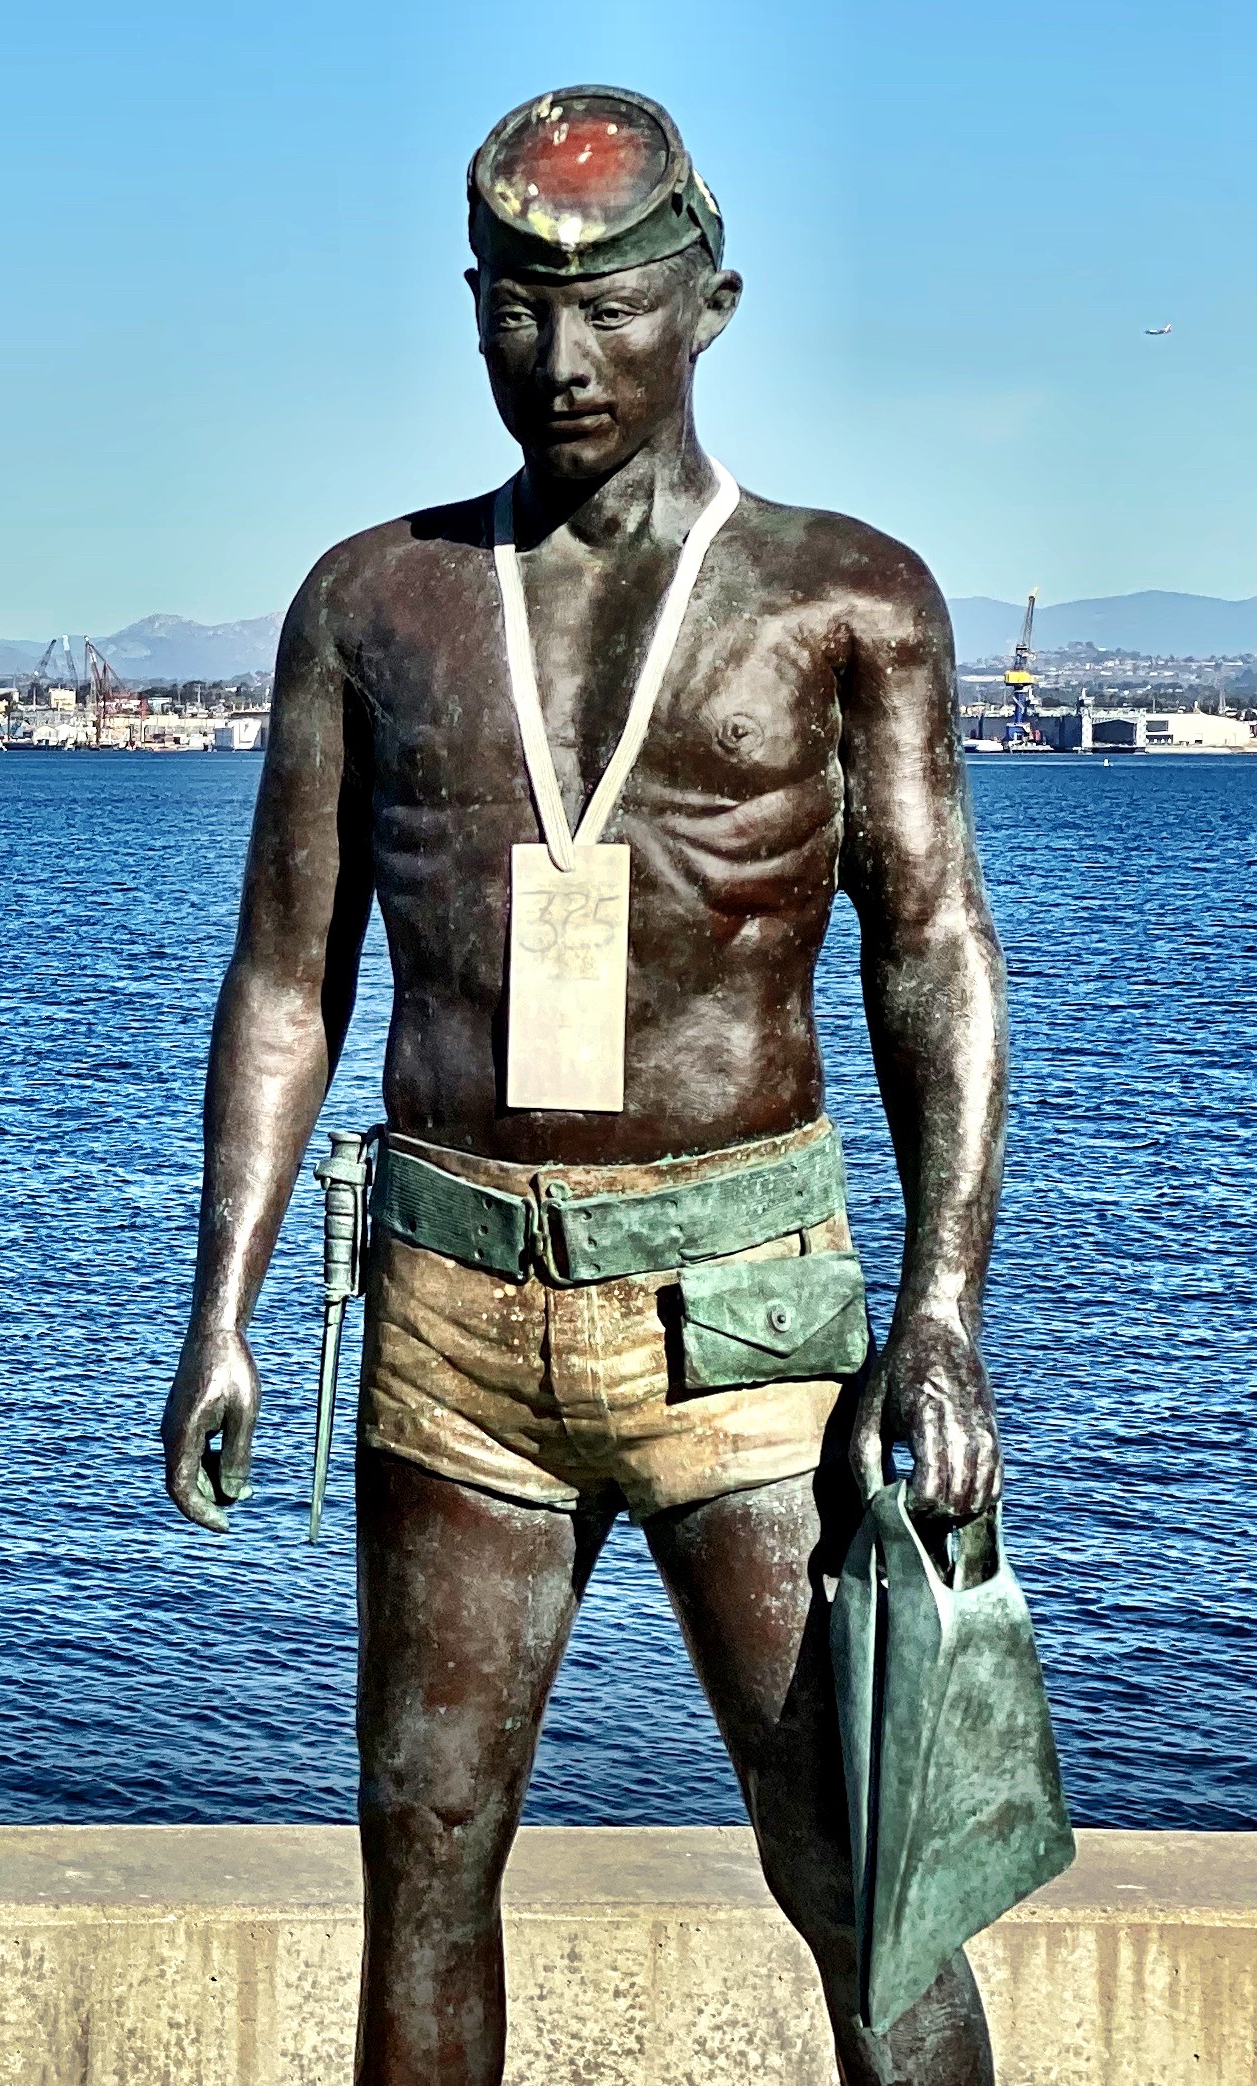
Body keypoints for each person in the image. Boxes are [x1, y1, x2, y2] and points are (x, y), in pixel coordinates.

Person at [161, 86, 1005, 2086]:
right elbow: (287, 974)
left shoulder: (839, 599)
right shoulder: (374, 606)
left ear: (707, 301)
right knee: (422, 1854)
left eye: (609, 311)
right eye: (511, 314)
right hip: (452, 1313)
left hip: (742, 1313)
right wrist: (220, 1305)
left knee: (862, 1861)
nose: (559, 361)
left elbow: (931, 943)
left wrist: (940, 1305)